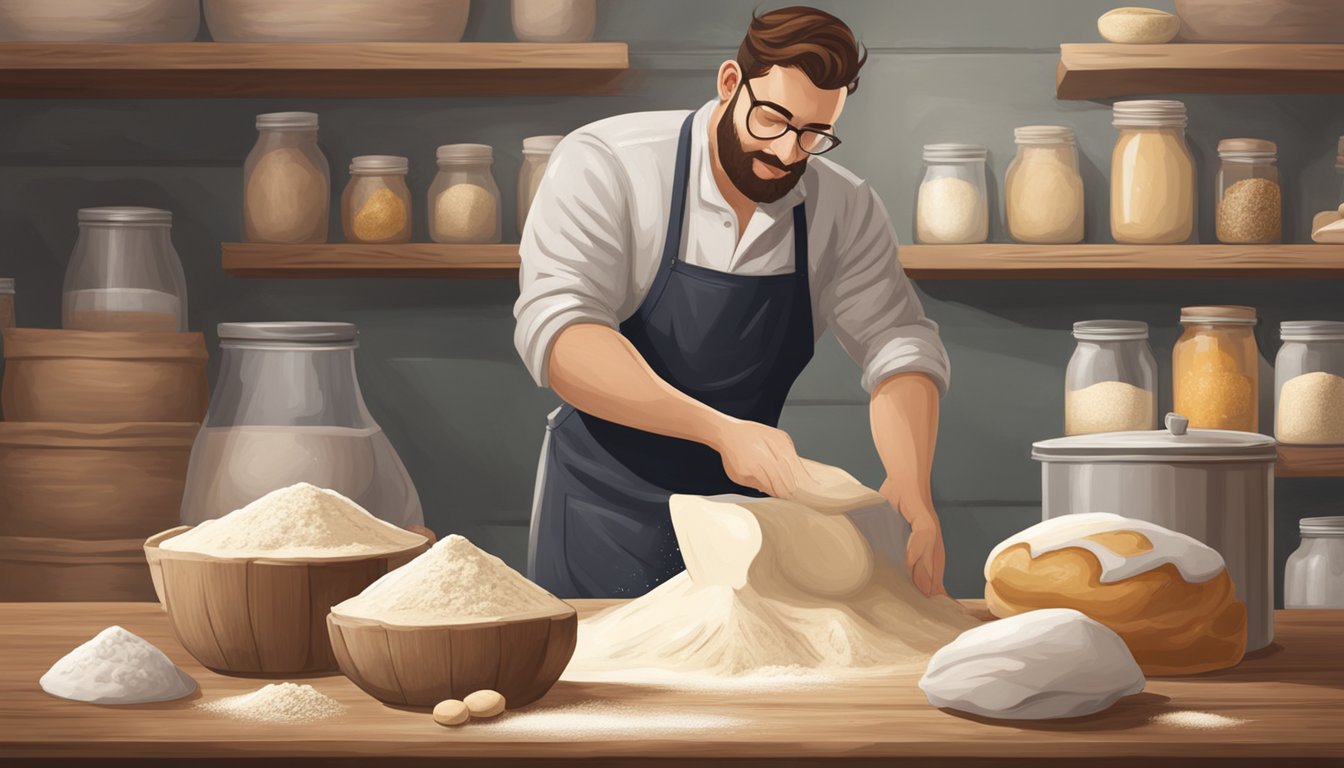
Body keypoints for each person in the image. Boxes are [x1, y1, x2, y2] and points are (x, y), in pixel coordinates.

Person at [514, 6, 950, 600]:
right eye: (773, 119)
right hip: (600, 513)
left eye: (814, 134)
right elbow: (564, 335)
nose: (789, 153)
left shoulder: (842, 207)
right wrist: (720, 432)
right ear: (729, 84)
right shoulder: (608, 162)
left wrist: (910, 483)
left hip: (743, 530)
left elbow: (897, 341)